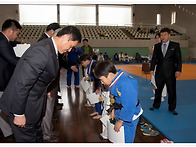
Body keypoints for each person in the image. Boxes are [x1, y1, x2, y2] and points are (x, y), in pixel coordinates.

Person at [0, 26, 81, 142]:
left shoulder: (51, 48)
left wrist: (44, 90)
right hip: (21, 106)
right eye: (71, 46)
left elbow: (39, 77)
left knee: (37, 137)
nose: (69, 50)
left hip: (33, 105)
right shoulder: (42, 51)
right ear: (65, 37)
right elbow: (22, 83)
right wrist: (18, 113)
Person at [94, 60, 143, 143]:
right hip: (121, 111)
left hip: (130, 115)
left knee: (126, 139)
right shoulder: (116, 80)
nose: (102, 83)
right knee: (118, 137)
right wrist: (114, 110)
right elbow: (118, 100)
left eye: (102, 80)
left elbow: (129, 105)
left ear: (109, 75)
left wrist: (121, 121)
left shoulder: (126, 83)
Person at [149, 27, 182, 115]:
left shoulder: (175, 45)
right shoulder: (157, 46)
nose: (163, 37)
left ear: (169, 35)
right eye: (161, 35)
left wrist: (178, 70)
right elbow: (154, 59)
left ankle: (172, 108)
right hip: (159, 72)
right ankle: (156, 105)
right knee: (158, 90)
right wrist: (152, 69)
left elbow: (179, 59)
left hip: (171, 73)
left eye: (165, 35)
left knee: (171, 91)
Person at [37, 24, 61, 142]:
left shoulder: (48, 43)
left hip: (51, 83)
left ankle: (48, 130)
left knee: (49, 109)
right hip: (48, 85)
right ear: (52, 31)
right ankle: (46, 134)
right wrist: (46, 88)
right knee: (47, 109)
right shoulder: (44, 43)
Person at [0, 19, 22, 141]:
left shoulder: (4, 41)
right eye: (17, 33)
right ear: (10, 31)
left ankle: (7, 132)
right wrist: (28, 63)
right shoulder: (2, 42)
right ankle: (8, 134)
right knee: (4, 107)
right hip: (1, 81)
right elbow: (12, 60)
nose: (16, 35)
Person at [79, 54, 102, 118]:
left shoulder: (95, 64)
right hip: (96, 82)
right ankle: (97, 111)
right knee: (96, 97)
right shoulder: (89, 65)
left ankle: (100, 114)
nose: (82, 65)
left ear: (87, 60)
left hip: (100, 83)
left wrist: (98, 87)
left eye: (83, 62)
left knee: (100, 98)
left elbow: (99, 76)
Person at [150, 32, 167, 102]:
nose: (157, 39)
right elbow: (153, 58)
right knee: (154, 81)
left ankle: (162, 95)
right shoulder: (155, 46)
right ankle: (156, 95)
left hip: (162, 67)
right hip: (155, 66)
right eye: (156, 38)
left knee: (162, 81)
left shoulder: (165, 46)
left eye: (158, 37)